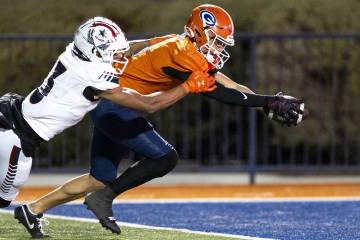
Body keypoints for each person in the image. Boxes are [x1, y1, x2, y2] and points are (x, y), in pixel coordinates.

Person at [14, 4, 307, 238]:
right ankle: (104, 198)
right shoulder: (183, 55)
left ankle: (33, 209)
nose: (219, 48)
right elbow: (218, 94)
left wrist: (263, 102)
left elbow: (225, 83)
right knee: (165, 158)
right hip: (118, 108)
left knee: (99, 177)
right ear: (199, 33)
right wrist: (268, 101)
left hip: (111, 108)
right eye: (216, 40)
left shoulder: (180, 44)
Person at [0, 16, 215, 237]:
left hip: (17, 116)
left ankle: (32, 212)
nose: (121, 57)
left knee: (99, 178)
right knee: (3, 198)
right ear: (94, 52)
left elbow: (126, 51)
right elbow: (149, 104)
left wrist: (153, 42)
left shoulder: (75, 53)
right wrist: (187, 87)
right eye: (114, 53)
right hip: (17, 138)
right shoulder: (95, 77)